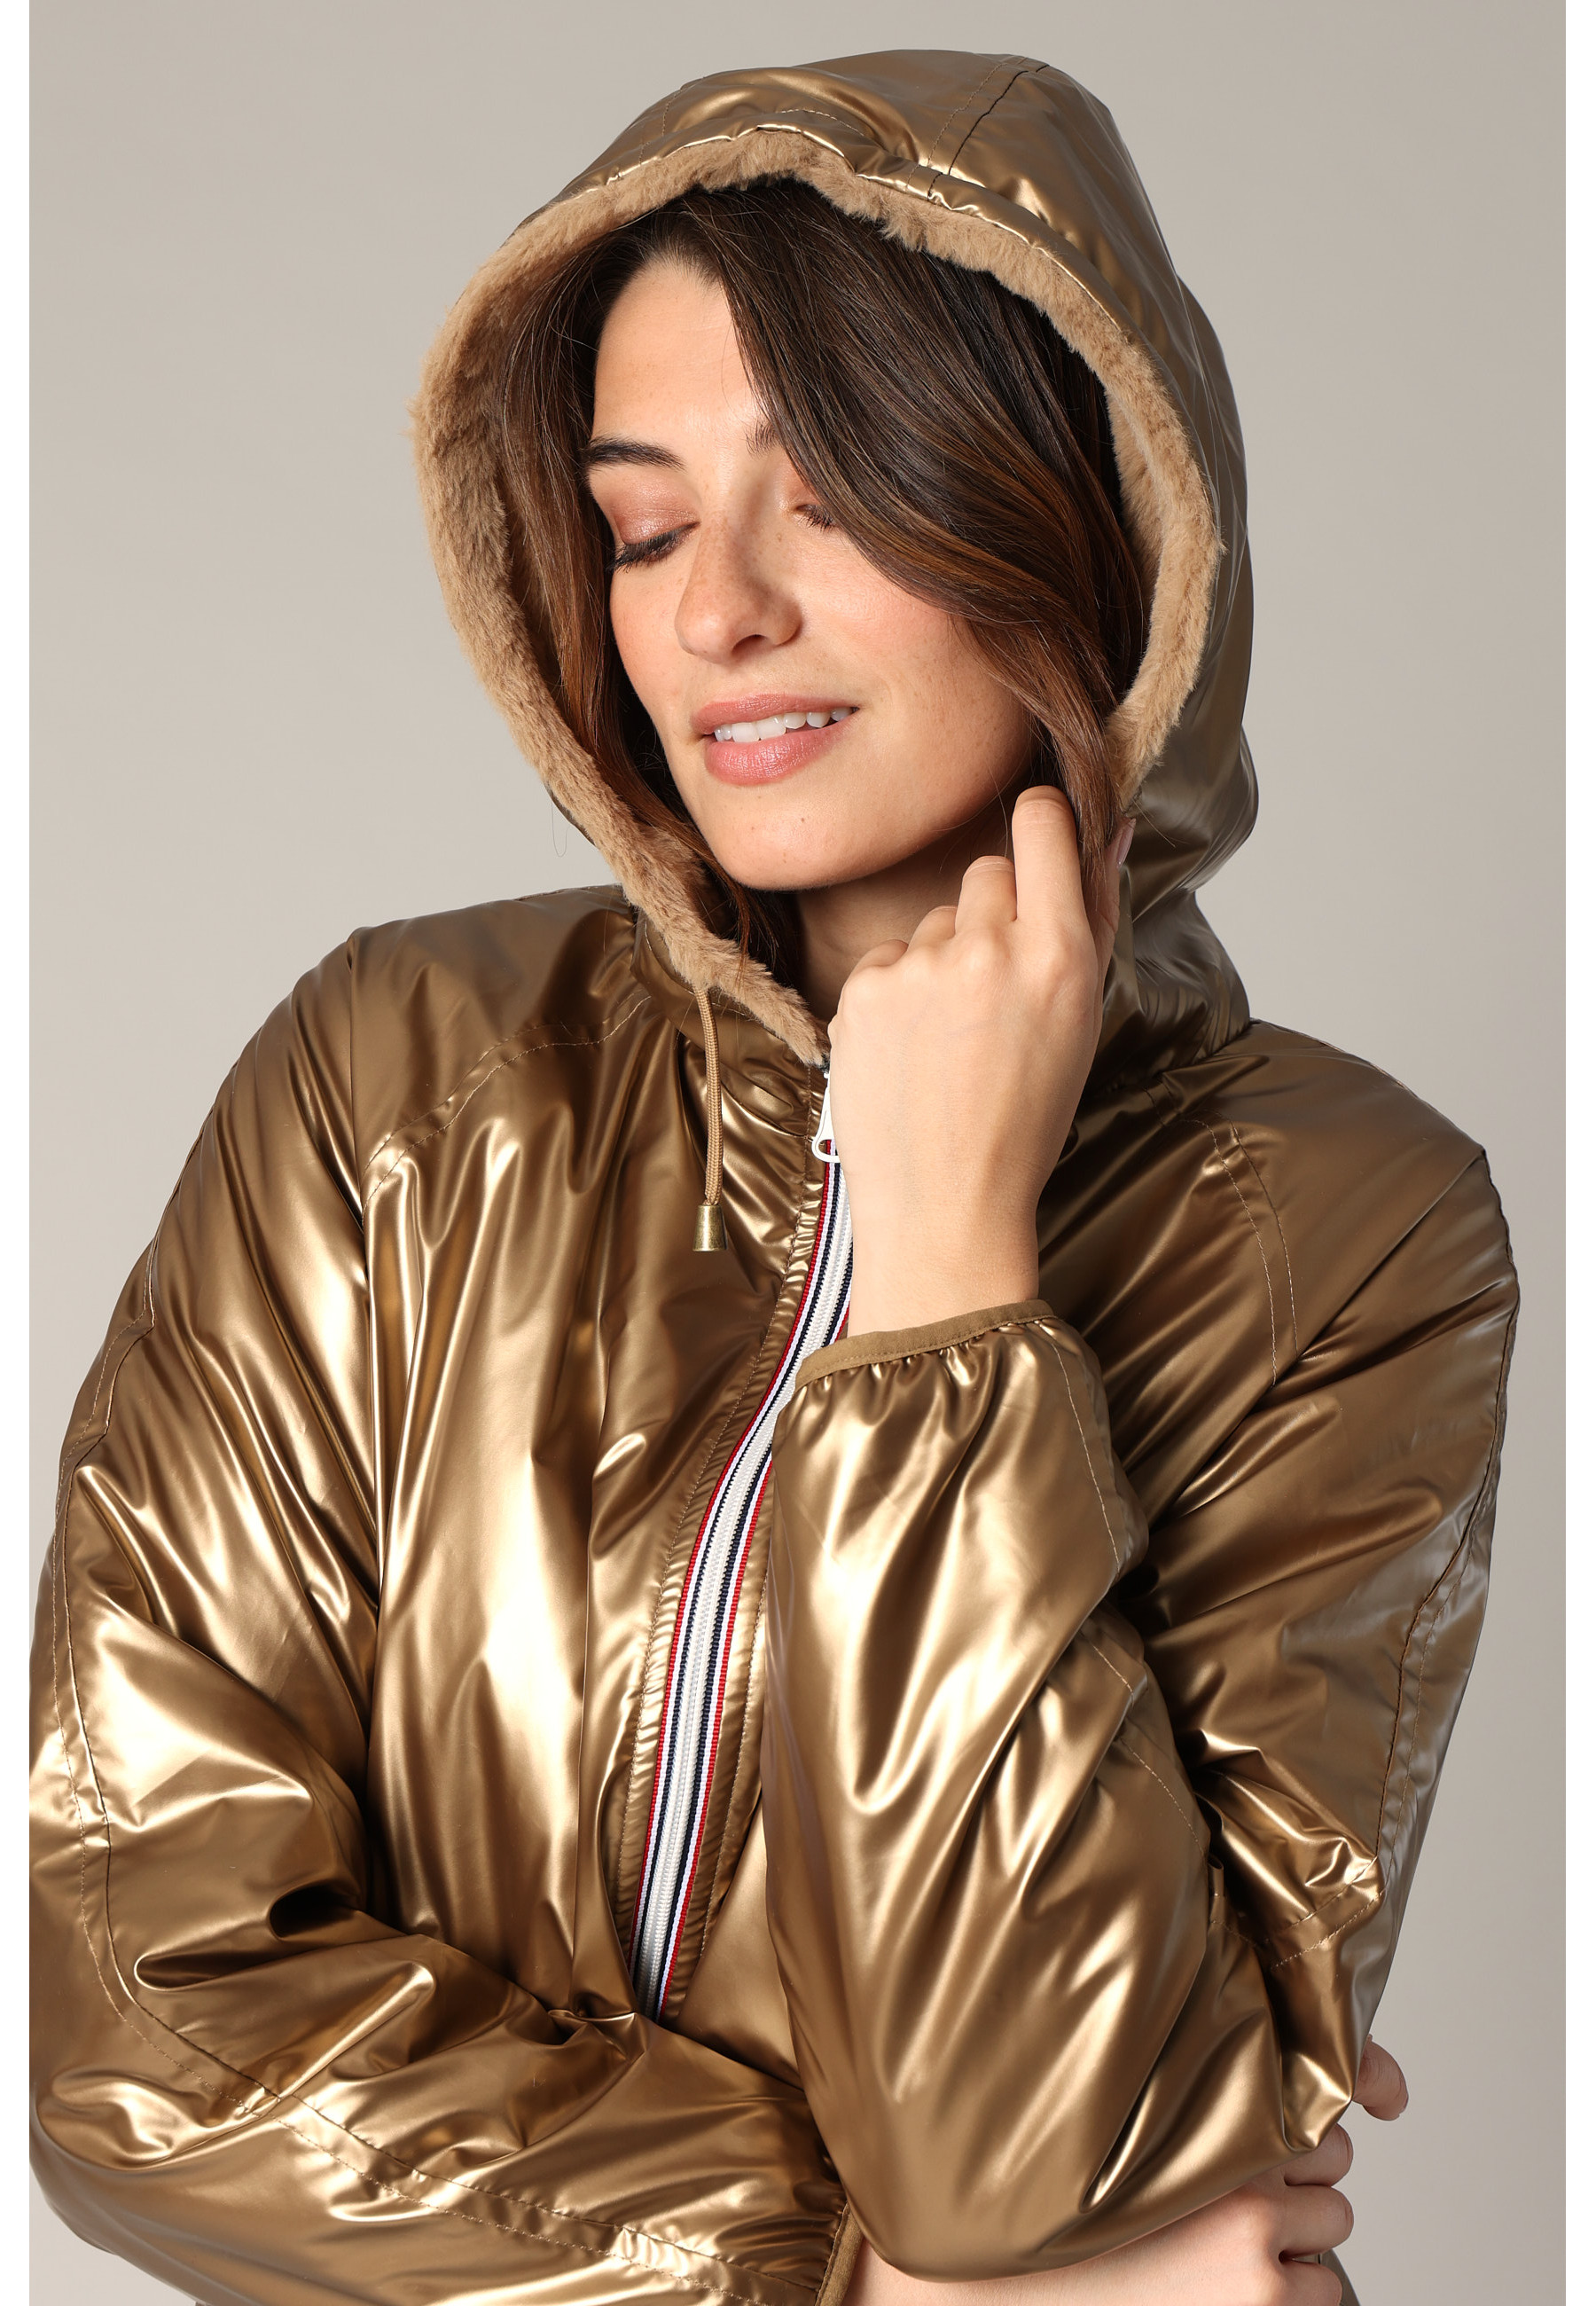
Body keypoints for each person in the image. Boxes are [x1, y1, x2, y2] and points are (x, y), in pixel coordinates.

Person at [30, 51, 1515, 2306]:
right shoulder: (399, 1081)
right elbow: (143, 2030)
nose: (714, 612)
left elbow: (1041, 2167)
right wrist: (835, 2267)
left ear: (1080, 522)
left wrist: (947, 1279)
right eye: (642, 529)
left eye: (829, 502)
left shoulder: (1353, 1232)